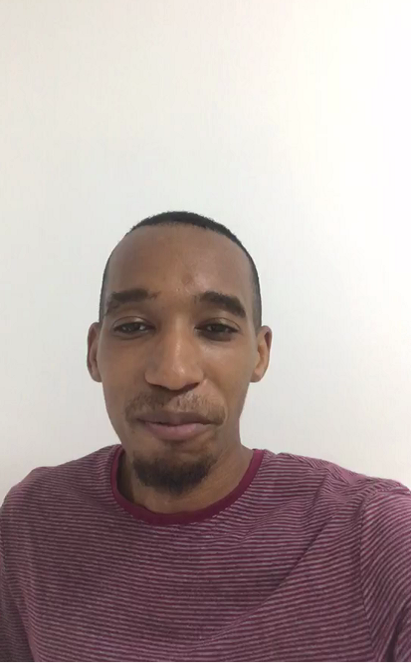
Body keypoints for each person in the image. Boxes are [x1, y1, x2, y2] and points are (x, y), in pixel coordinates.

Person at [1, 211, 410, 663]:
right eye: (133, 326)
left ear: (259, 354)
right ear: (94, 352)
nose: (174, 373)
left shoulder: (377, 537)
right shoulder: (31, 522)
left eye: (216, 328)